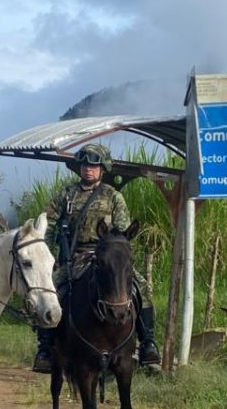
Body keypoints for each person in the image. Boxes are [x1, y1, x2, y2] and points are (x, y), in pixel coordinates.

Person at [31, 143, 161, 374]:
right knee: (50, 290)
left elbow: (121, 232)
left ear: (102, 169)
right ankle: (45, 350)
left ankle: (148, 343)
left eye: (93, 165)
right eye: (84, 165)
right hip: (75, 256)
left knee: (141, 287)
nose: (88, 169)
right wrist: (47, 253)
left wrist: (113, 251)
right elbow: (48, 223)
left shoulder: (113, 197)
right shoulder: (67, 194)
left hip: (107, 255)